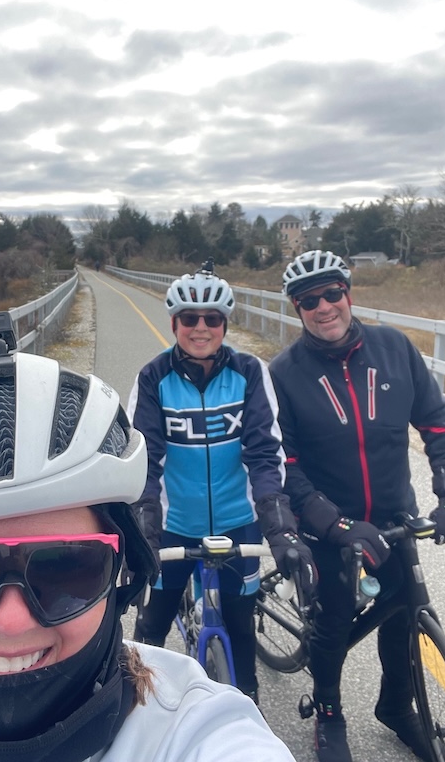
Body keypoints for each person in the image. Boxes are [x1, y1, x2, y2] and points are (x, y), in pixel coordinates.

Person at [0, 313, 297, 762]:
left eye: (66, 568)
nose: (11, 622)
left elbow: (263, 453)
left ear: (122, 576)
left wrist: (281, 525)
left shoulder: (203, 731)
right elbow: (154, 459)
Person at [268, 249, 445, 762]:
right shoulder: (285, 372)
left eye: (332, 293)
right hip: (331, 524)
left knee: (405, 610)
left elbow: (436, 421)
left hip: (395, 514)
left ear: (348, 293)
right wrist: (332, 522)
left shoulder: (394, 348)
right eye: (308, 301)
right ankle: (327, 711)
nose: (323, 307)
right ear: (297, 309)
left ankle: (396, 707)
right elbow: (286, 463)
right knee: (333, 622)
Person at [127, 258, 315, 703]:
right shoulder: (153, 378)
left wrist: (281, 528)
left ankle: (247, 706)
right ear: (174, 322)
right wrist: (143, 533)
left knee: (241, 624)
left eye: (212, 319)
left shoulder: (249, 373)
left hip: (238, 524)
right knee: (148, 638)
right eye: (189, 319)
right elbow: (145, 462)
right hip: (173, 526)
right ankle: (134, 715)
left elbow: (265, 455)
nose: (200, 327)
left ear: (224, 324)